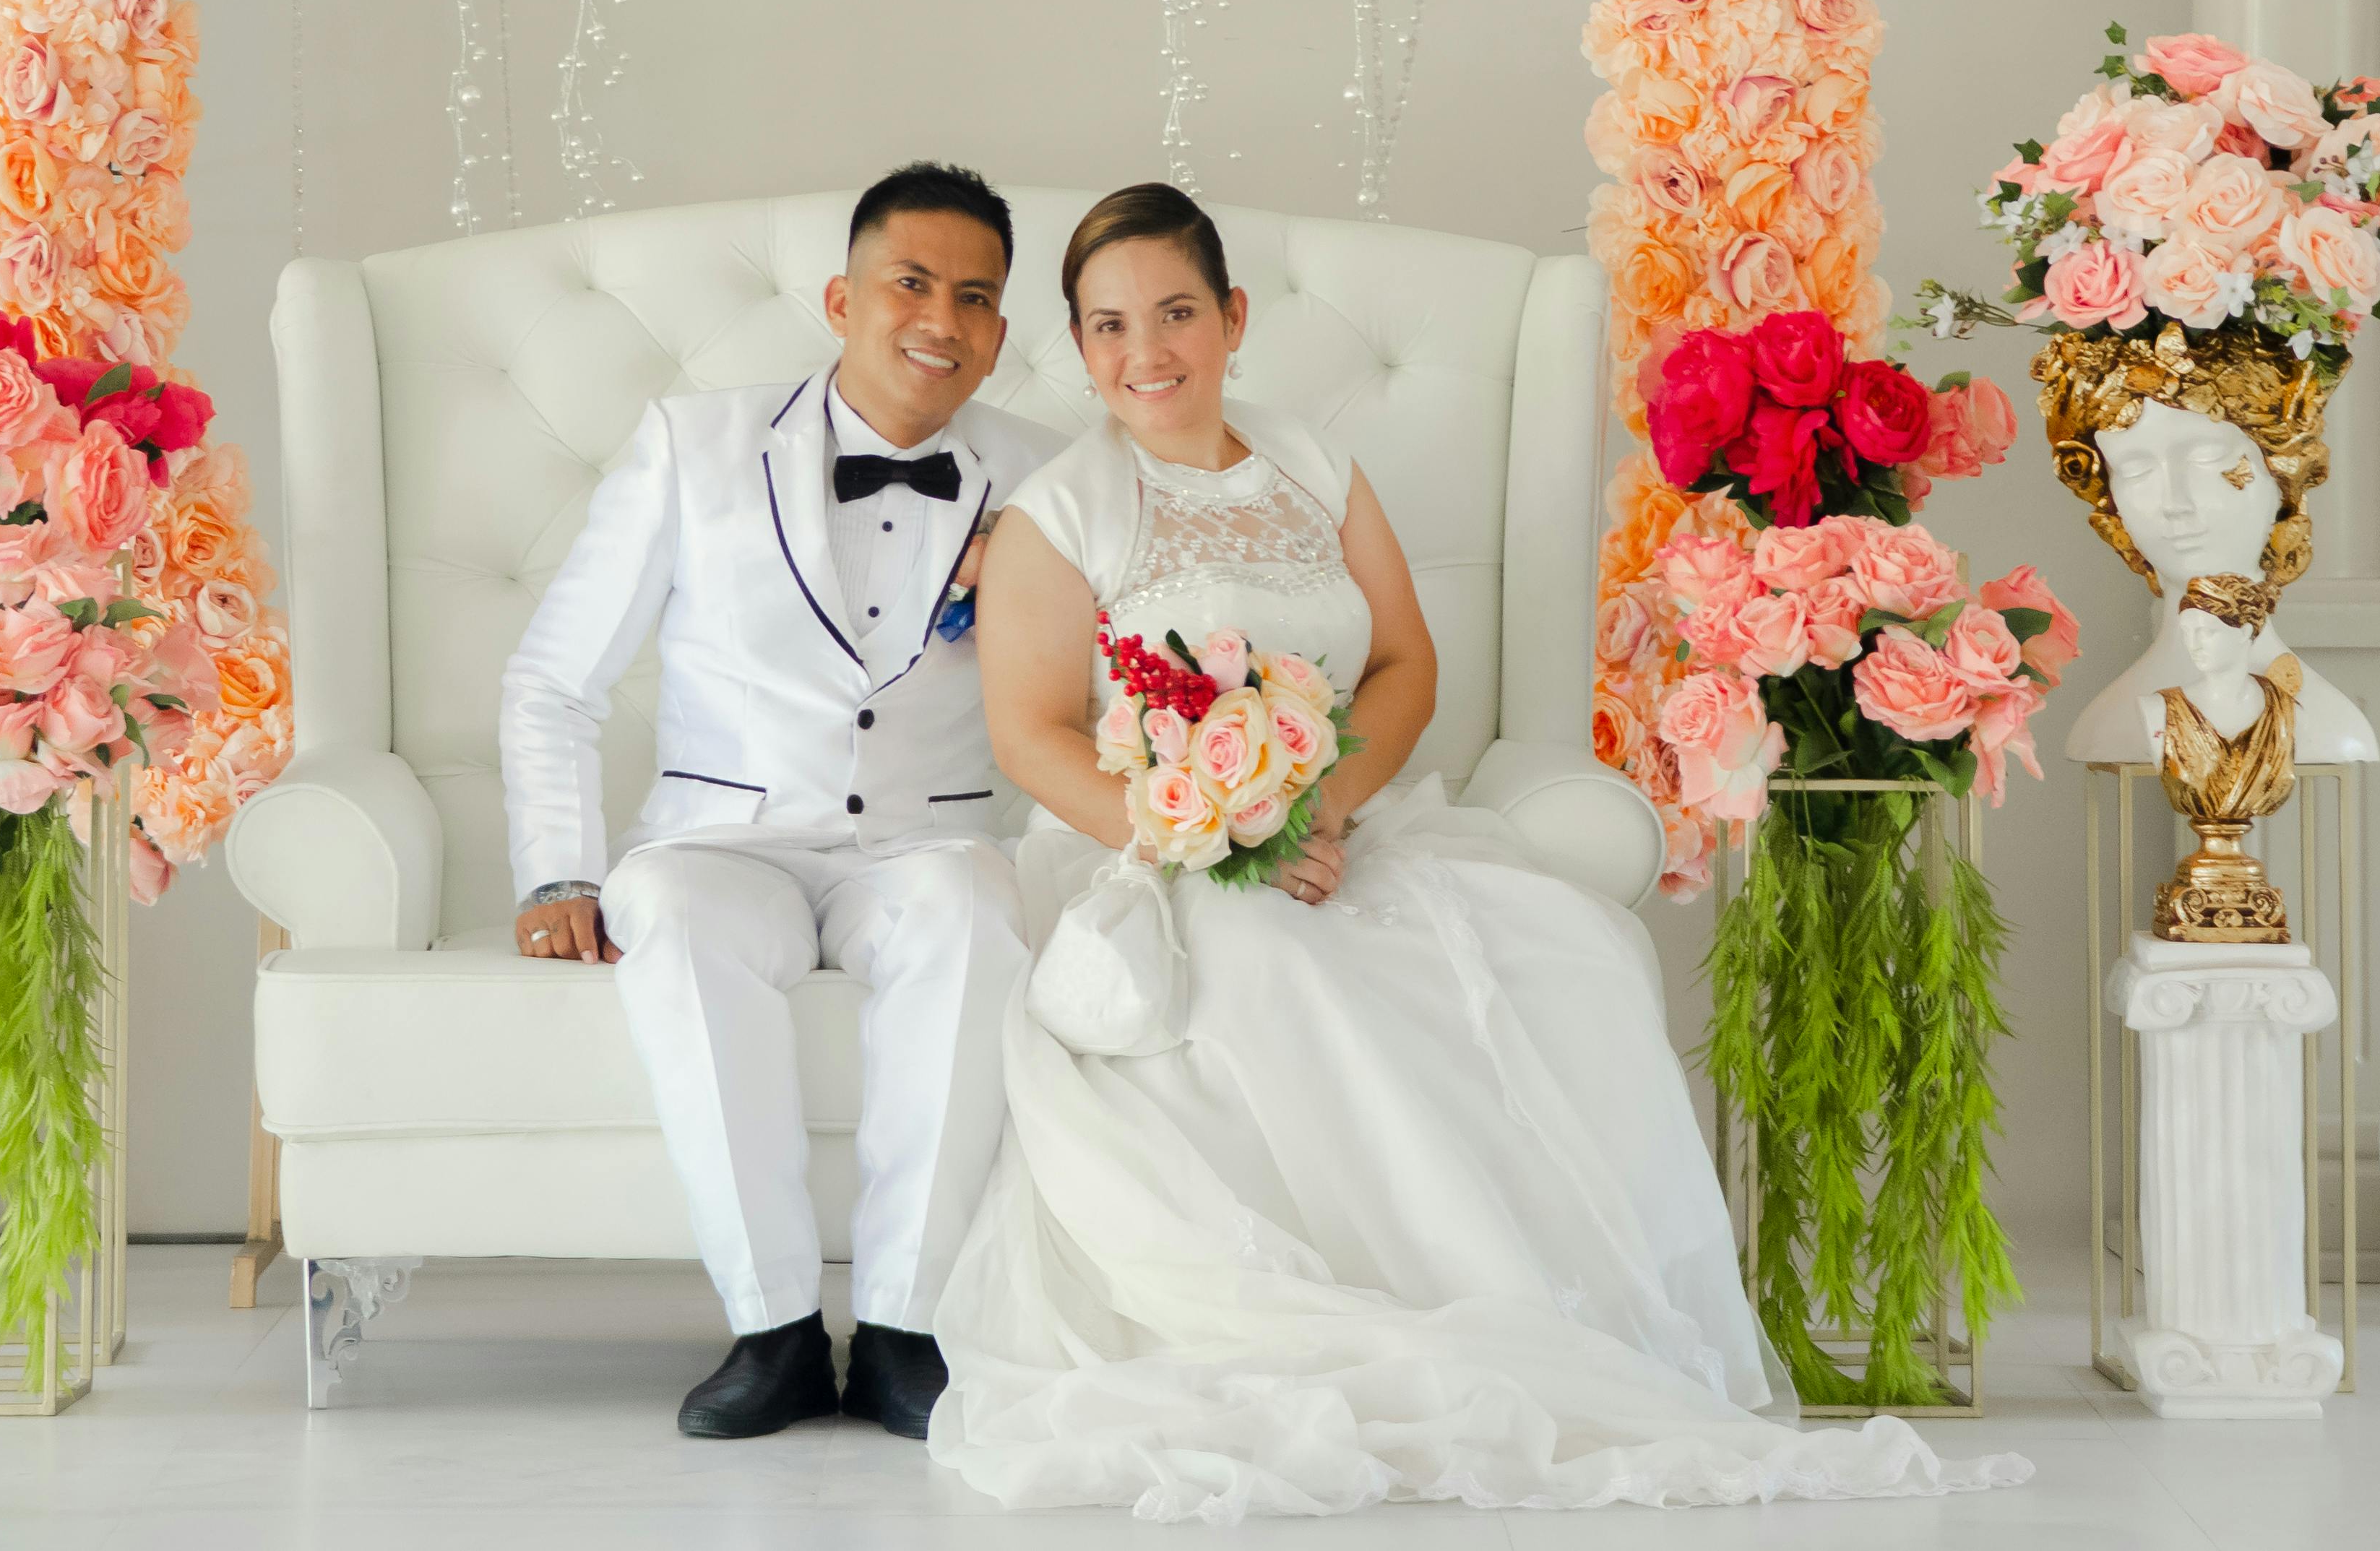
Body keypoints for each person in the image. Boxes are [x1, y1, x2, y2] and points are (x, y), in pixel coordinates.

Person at [926, 183, 2032, 1520]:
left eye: (1172, 313)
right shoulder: (1064, 508)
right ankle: (1418, 1324)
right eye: (1106, 326)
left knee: (1569, 947)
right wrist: (1210, 834)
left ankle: (1559, 1324)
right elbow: (1035, 734)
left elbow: (1403, 661)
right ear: (1079, 342)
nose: (1142, 352)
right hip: (1149, 854)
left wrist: (1321, 805)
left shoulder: (1311, 465)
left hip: (1341, 821)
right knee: (1277, 960)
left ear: (1231, 318)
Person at [496, 163, 1060, 1440]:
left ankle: (909, 1328)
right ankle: (777, 1329)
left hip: (926, 836)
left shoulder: (1048, 475)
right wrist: (556, 871)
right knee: (675, 922)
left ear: (1001, 333)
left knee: (977, 908)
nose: (940, 317)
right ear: (840, 297)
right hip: (720, 838)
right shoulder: (691, 442)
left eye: (975, 297)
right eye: (909, 281)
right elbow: (554, 679)